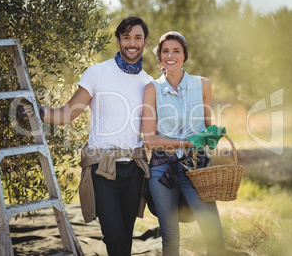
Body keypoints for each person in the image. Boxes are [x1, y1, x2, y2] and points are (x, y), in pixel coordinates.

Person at [20, 17, 153, 256]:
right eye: (126, 37)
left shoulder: (149, 83)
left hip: (134, 169)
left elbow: (154, 129)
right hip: (101, 168)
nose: (132, 43)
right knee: (114, 238)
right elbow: (67, 114)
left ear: (144, 42)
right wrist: (40, 112)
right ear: (118, 40)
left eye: (137, 38)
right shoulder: (98, 73)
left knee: (125, 237)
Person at [142, 31, 226, 255]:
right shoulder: (152, 89)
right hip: (162, 169)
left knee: (214, 235)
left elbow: (208, 129)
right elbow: (149, 139)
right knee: (170, 237)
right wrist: (187, 143)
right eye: (165, 51)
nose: (170, 55)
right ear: (159, 57)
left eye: (176, 51)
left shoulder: (203, 85)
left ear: (184, 55)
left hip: (196, 169)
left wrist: (213, 134)